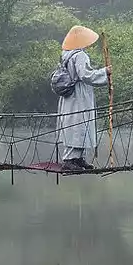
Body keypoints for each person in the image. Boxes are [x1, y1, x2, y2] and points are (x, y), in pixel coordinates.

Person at [53, 25, 111, 171]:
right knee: (79, 124)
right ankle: (69, 160)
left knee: (75, 124)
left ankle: (78, 158)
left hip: (69, 96)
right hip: (79, 95)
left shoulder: (66, 54)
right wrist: (106, 73)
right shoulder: (80, 55)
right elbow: (86, 75)